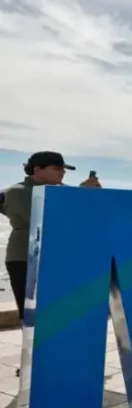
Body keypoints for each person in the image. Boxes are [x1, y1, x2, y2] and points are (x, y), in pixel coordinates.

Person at [1, 151, 100, 378]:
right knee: (33, 314)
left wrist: (89, 197)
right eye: (57, 168)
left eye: (64, 168)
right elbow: (46, 214)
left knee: (59, 311)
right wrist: (79, 194)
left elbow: (77, 217)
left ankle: (55, 359)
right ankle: (33, 363)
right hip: (25, 258)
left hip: (56, 257)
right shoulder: (17, 192)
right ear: (37, 169)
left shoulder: (57, 192)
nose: (63, 172)